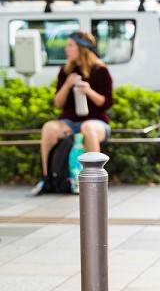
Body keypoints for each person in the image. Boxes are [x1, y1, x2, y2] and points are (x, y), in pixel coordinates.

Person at [32, 31, 113, 195]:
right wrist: (67, 85)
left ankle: (94, 180)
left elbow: (106, 103)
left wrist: (89, 91)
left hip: (96, 121)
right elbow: (58, 104)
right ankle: (48, 179)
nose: (66, 49)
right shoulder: (65, 71)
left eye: (70, 45)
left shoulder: (100, 70)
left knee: (88, 128)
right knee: (49, 128)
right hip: (70, 121)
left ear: (82, 48)